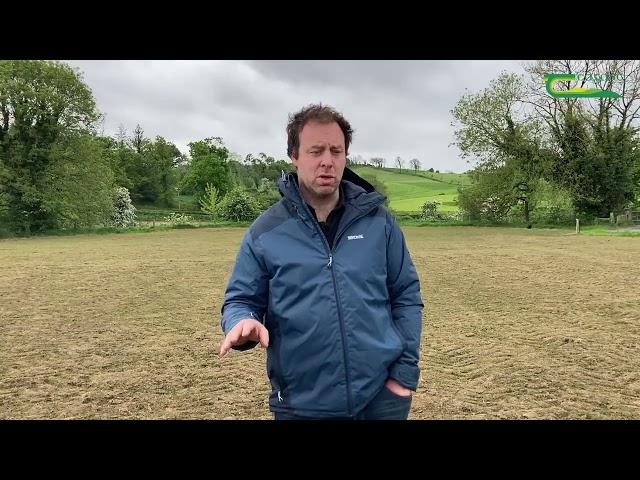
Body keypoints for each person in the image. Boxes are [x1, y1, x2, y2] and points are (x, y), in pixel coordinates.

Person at [219, 103, 424, 420]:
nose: (327, 161)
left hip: (381, 401)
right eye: (316, 151)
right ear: (294, 156)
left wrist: (402, 376)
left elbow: (406, 296)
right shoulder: (265, 232)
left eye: (336, 151)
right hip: (301, 405)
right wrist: (241, 320)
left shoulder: (379, 224)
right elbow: (241, 298)